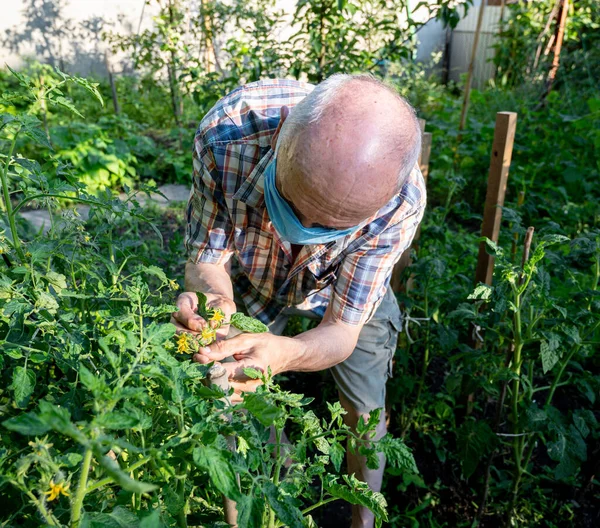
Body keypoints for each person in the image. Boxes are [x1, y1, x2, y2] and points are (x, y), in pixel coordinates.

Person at [172, 73, 426, 528]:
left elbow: (343, 330)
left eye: (329, 227)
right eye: (290, 203)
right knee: (233, 389)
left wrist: (289, 354)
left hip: (343, 293)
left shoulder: (400, 202)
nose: (302, 230)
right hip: (252, 278)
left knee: (364, 412)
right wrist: (215, 298)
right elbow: (207, 258)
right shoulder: (229, 134)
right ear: (282, 142)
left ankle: (361, 519)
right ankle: (270, 490)